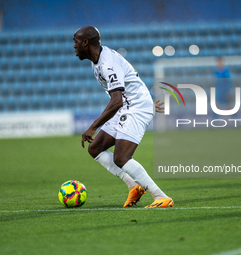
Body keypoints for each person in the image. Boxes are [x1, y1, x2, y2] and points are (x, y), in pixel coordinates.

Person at [73, 25, 174, 208]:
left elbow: (116, 101)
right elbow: (129, 79)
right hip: (129, 105)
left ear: (86, 43)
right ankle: (133, 186)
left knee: (121, 157)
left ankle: (161, 197)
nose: (74, 46)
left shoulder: (106, 64)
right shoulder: (97, 60)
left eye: (76, 42)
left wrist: (93, 127)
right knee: (95, 148)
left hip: (134, 107)